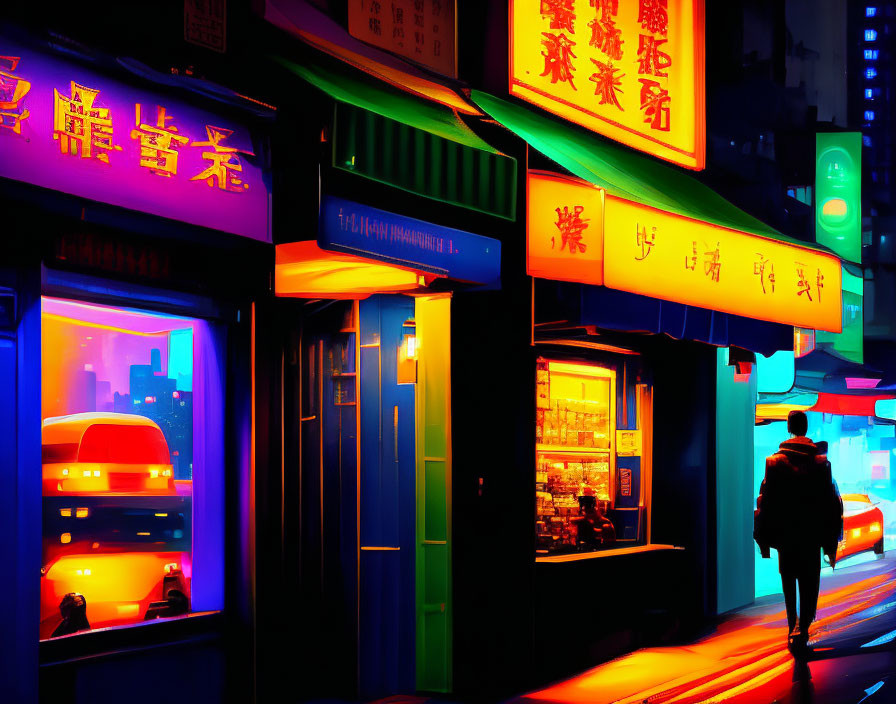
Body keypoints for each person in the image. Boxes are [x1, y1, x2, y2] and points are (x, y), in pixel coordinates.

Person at [754, 410, 843, 651]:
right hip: (812, 535)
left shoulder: (773, 462)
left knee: (789, 578)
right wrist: (831, 540)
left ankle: (791, 622)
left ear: (789, 429)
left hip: (785, 535)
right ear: (806, 428)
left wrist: (763, 535)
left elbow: (765, 501)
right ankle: (804, 626)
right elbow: (830, 503)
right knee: (809, 581)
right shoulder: (821, 463)